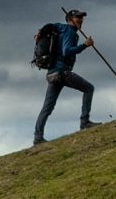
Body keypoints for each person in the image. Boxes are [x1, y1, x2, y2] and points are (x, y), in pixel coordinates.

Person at [33, 10, 99, 144]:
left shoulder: (60, 28)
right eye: (78, 17)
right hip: (62, 72)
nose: (81, 19)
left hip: (52, 74)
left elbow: (52, 25)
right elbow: (67, 51)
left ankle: (37, 137)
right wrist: (84, 45)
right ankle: (84, 122)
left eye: (81, 17)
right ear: (70, 19)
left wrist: (41, 31)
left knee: (47, 107)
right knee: (89, 88)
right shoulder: (69, 31)